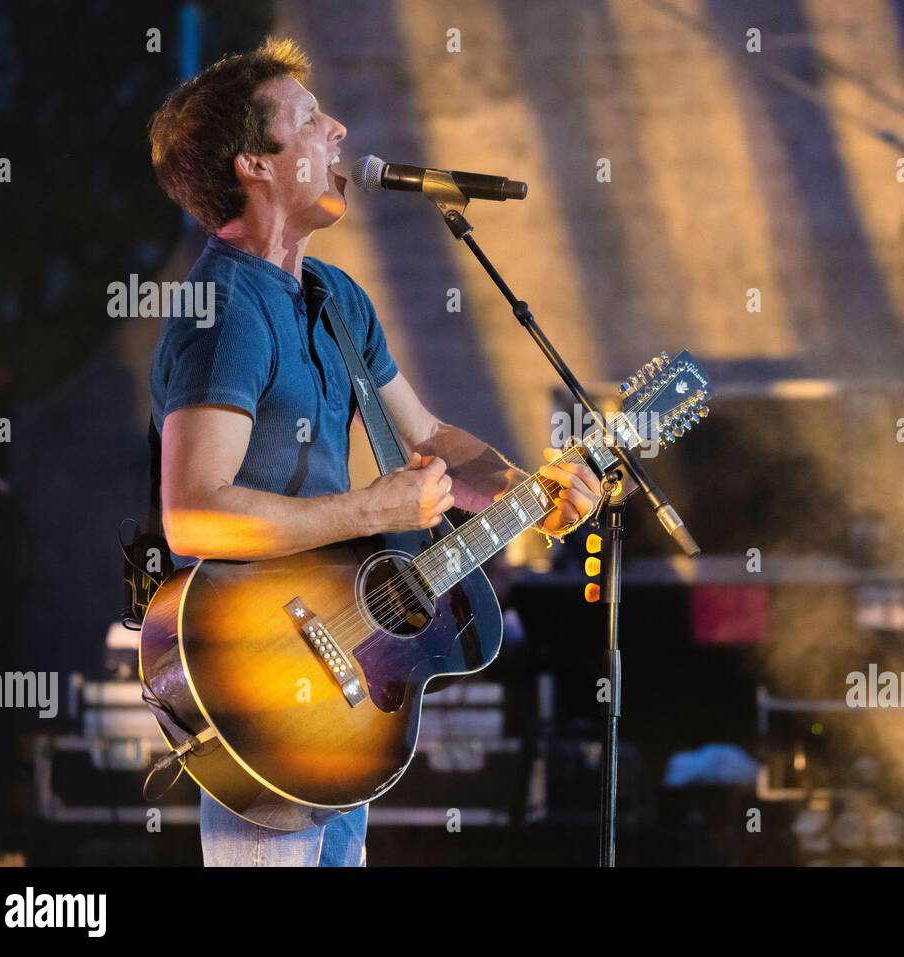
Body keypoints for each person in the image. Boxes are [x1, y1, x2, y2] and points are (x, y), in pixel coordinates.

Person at [147, 37, 601, 866]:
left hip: (348, 693)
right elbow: (194, 513)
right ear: (256, 163)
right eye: (312, 121)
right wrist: (375, 509)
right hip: (260, 687)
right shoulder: (226, 307)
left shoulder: (335, 297)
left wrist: (530, 487)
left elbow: (428, 439)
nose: (340, 130)